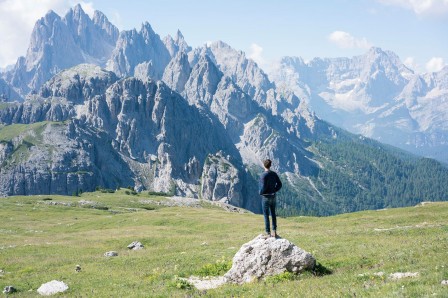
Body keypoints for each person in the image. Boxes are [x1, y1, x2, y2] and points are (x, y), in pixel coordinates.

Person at [259, 159, 282, 238]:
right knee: (273, 214)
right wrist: (274, 190)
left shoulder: (263, 175)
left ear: (264, 165)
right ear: (270, 165)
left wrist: (260, 192)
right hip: (273, 196)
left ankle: (268, 233)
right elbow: (280, 184)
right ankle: (274, 231)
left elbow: (262, 187)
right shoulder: (274, 174)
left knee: (266, 215)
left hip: (265, 196)